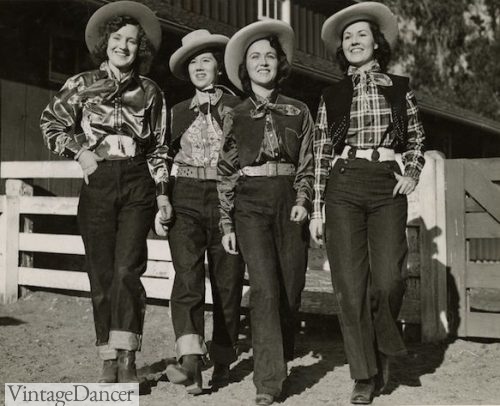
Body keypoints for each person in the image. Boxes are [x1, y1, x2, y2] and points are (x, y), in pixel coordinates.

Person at [40, 1, 168, 383]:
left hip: (137, 182)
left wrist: (162, 191)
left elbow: (160, 146)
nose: (124, 46)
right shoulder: (80, 85)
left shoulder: (150, 91)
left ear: (139, 49)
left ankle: (128, 358)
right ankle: (108, 359)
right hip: (98, 181)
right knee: (101, 273)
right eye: (117, 38)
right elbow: (51, 125)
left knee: (128, 268)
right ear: (106, 42)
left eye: (132, 41)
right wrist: (81, 153)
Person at [310, 2, 426, 404]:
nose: (355, 41)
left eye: (362, 34)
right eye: (348, 37)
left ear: (377, 43)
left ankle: (384, 346)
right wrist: (316, 209)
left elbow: (416, 138)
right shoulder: (332, 94)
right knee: (349, 286)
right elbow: (322, 151)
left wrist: (411, 172)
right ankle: (365, 373)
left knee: (389, 279)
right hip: (343, 184)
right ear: (342, 49)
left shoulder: (399, 88)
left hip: (385, 185)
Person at [217, 20, 314, 406]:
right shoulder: (234, 114)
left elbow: (308, 164)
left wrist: (303, 199)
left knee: (290, 288)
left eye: (269, 56)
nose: (262, 62)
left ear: (280, 64)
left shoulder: (299, 111)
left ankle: (281, 354)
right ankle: (268, 381)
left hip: (289, 198)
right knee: (264, 288)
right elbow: (225, 170)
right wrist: (226, 220)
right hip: (250, 202)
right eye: (254, 57)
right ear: (246, 67)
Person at [155, 29, 246, 394]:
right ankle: (190, 359)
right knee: (187, 277)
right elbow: (160, 156)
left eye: (205, 60)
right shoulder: (176, 112)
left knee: (227, 282)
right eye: (192, 62)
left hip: (228, 198)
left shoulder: (240, 108)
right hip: (186, 196)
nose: (199, 68)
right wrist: (162, 195)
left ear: (219, 68)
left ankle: (223, 358)